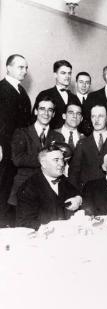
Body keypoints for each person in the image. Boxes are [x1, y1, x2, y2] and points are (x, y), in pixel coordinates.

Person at [9, 96, 64, 207]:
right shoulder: (21, 132)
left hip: (49, 192)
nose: (46, 113)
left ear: (53, 114)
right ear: (35, 111)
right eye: (42, 109)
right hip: (23, 189)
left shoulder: (58, 137)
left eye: (50, 110)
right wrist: (46, 160)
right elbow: (18, 160)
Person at [16, 145, 81, 229]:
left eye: (62, 159)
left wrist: (78, 199)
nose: (61, 164)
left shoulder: (63, 180)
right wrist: (53, 227)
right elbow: (24, 223)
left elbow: (77, 193)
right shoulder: (28, 188)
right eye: (56, 160)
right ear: (43, 163)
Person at [0, 54, 32, 226]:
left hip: (18, 150)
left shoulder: (22, 91)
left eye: (26, 68)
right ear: (8, 68)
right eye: (21, 67)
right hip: (4, 149)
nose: (25, 71)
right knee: (2, 187)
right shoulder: (1, 88)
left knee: (13, 188)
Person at [69, 104, 107, 189]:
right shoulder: (82, 143)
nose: (96, 120)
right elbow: (73, 173)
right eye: (93, 116)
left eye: (100, 116)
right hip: (87, 194)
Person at [33, 60, 79, 129]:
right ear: (55, 75)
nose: (67, 76)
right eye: (63, 73)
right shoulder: (45, 94)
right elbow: (34, 119)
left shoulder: (74, 98)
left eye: (69, 73)